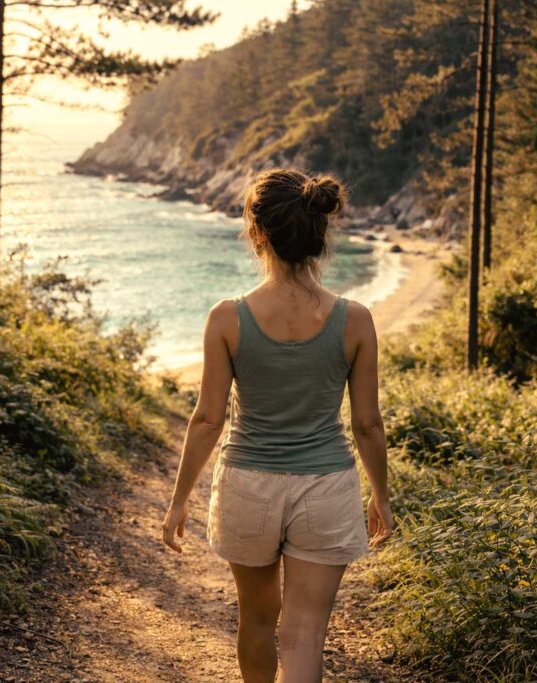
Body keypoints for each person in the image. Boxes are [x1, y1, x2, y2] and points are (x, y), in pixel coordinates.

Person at [161, 168, 395, 683]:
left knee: (258, 619)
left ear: (257, 232)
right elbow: (367, 424)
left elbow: (207, 419)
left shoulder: (227, 317)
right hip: (327, 487)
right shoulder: (355, 319)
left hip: (248, 485)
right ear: (318, 232)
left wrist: (179, 500)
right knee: (306, 633)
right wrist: (380, 495)